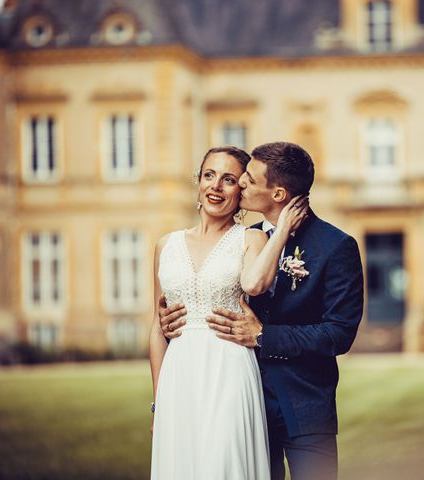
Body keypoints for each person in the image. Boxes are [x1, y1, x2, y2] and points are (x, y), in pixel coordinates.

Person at [158, 142, 364, 479]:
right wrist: (171, 317)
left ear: (278, 193)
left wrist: (265, 337)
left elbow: (339, 333)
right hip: (243, 403)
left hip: (305, 406)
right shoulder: (242, 240)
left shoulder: (335, 246)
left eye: (248, 181)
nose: (239, 184)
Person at [149, 146, 308, 479]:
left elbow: (254, 284)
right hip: (179, 376)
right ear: (198, 181)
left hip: (229, 368)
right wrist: (158, 400)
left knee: (224, 462)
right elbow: (157, 327)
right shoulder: (166, 245)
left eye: (229, 179)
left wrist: (280, 233)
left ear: (241, 191)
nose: (216, 187)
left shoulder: (250, 238)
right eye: (209, 176)